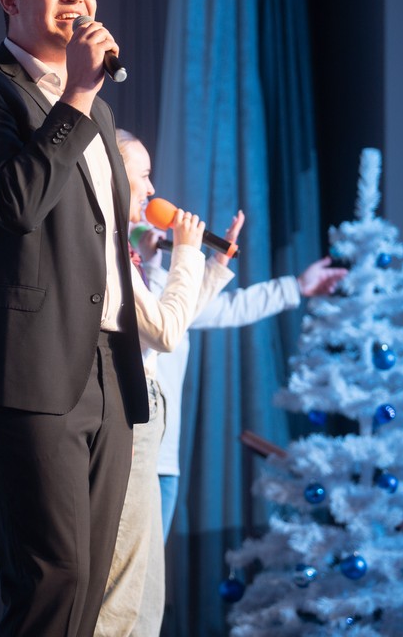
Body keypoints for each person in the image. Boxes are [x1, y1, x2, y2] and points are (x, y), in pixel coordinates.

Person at [0, 0, 151, 636]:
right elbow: (13, 203)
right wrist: (77, 96)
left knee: (89, 584)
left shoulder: (100, 112)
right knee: (51, 581)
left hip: (108, 365)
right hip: (25, 364)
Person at [95, 131, 235, 637]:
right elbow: (167, 334)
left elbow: (167, 323)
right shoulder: (106, 247)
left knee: (147, 585)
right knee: (124, 586)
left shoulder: (121, 250)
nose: (153, 189)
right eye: (144, 175)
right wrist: (186, 254)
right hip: (127, 420)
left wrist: (211, 266)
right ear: (113, 176)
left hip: (146, 420)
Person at [149, 249, 346, 544]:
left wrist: (295, 286)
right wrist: (150, 266)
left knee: (149, 571)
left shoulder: (168, 290)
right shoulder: (125, 283)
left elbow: (232, 307)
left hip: (165, 462)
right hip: (132, 456)